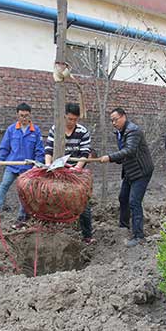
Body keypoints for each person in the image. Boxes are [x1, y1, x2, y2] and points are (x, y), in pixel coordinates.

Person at [100, 108, 154, 247]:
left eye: (115, 119)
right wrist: (114, 158)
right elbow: (124, 154)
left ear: (124, 117)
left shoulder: (133, 131)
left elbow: (129, 151)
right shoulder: (120, 132)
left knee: (134, 201)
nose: (113, 122)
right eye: (111, 120)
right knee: (123, 197)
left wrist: (110, 157)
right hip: (130, 171)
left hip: (141, 172)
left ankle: (138, 236)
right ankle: (124, 227)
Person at [44, 103, 95, 244]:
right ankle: (49, 233)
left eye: (74, 119)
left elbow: (85, 153)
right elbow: (49, 150)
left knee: (83, 203)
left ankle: (87, 236)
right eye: (69, 119)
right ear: (64, 116)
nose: (72, 122)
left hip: (75, 171)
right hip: (58, 170)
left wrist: (77, 168)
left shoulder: (82, 131)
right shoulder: (56, 129)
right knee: (51, 199)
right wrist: (48, 166)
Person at [0, 103, 45, 228]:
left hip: (27, 168)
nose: (24, 118)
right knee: (3, 187)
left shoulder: (35, 131)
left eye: (26, 116)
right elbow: (4, 147)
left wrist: (37, 165)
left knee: (23, 193)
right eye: (21, 116)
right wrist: (0, 161)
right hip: (12, 165)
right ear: (17, 115)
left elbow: (39, 150)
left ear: (30, 115)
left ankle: (21, 219)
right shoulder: (11, 130)